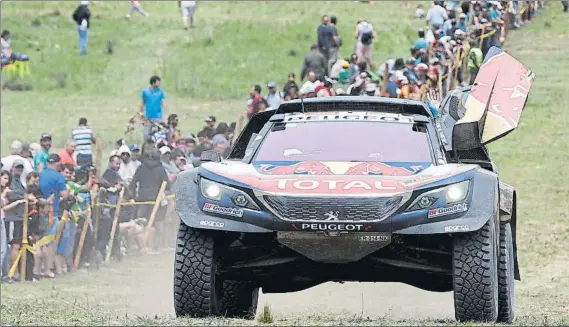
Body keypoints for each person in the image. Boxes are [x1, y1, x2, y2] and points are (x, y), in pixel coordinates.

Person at [140, 75, 168, 142]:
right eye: (158, 82)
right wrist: (141, 112)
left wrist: (166, 112)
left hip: (158, 116)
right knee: (146, 134)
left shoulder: (160, 92)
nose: (159, 83)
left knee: (160, 133)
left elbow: (163, 102)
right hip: (148, 117)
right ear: (153, 83)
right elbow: (143, 102)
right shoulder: (145, 91)